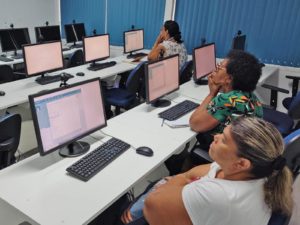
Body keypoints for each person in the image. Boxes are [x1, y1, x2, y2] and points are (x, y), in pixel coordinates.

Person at [142, 117, 293, 225]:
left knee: (133, 210)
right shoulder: (262, 170)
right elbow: (195, 173)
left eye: (224, 140)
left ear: (241, 164)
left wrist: (180, 181)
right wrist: (185, 181)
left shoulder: (221, 194)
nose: (215, 136)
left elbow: (151, 206)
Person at [189, 50, 263, 151]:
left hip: (227, 155)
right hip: (247, 150)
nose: (214, 70)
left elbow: (195, 124)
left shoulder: (227, 100)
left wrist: (211, 94)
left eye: (219, 67)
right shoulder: (252, 97)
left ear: (229, 78)